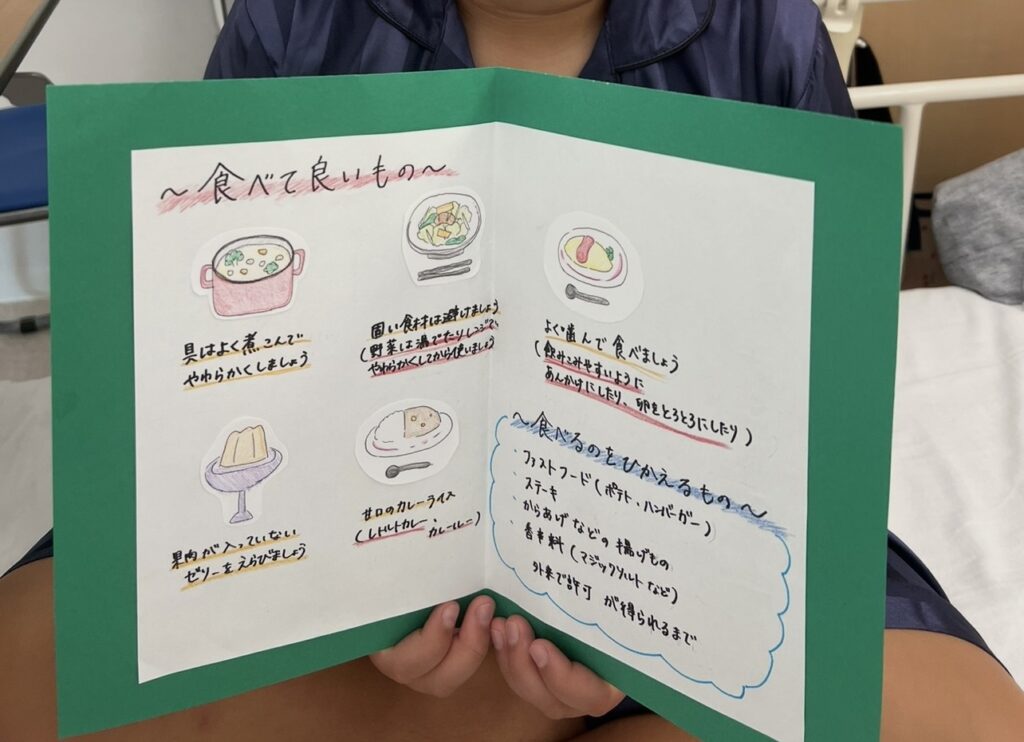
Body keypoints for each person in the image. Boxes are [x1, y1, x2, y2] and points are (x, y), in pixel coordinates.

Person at [3, 2, 1023, 740]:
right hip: (334, 501)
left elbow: (806, 362)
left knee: (969, 721)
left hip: (684, 521)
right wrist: (349, 587)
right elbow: (209, 324)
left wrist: (640, 613)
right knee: (33, 666)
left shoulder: (763, 27)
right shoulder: (294, 19)